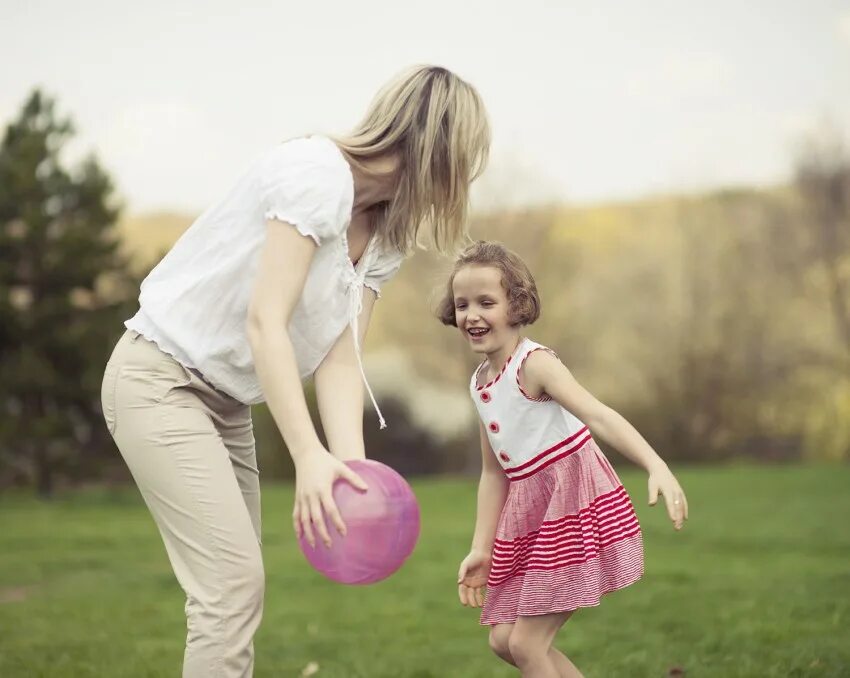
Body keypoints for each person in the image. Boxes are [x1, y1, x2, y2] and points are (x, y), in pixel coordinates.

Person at [100, 65, 490, 677]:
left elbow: (340, 356)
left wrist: (352, 470)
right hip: (160, 380)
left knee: (233, 592)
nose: (464, 182)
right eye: (466, 162)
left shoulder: (386, 232)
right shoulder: (315, 175)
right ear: (439, 149)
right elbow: (265, 323)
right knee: (231, 587)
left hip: (226, 402)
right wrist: (308, 455)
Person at [438, 241, 688, 678]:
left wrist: (655, 464)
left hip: (571, 505)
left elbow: (598, 415)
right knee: (503, 640)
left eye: (486, 302)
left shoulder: (534, 365)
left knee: (527, 643)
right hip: (531, 517)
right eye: (462, 305)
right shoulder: (480, 384)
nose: (472, 315)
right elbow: (493, 473)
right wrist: (481, 548)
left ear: (516, 305)